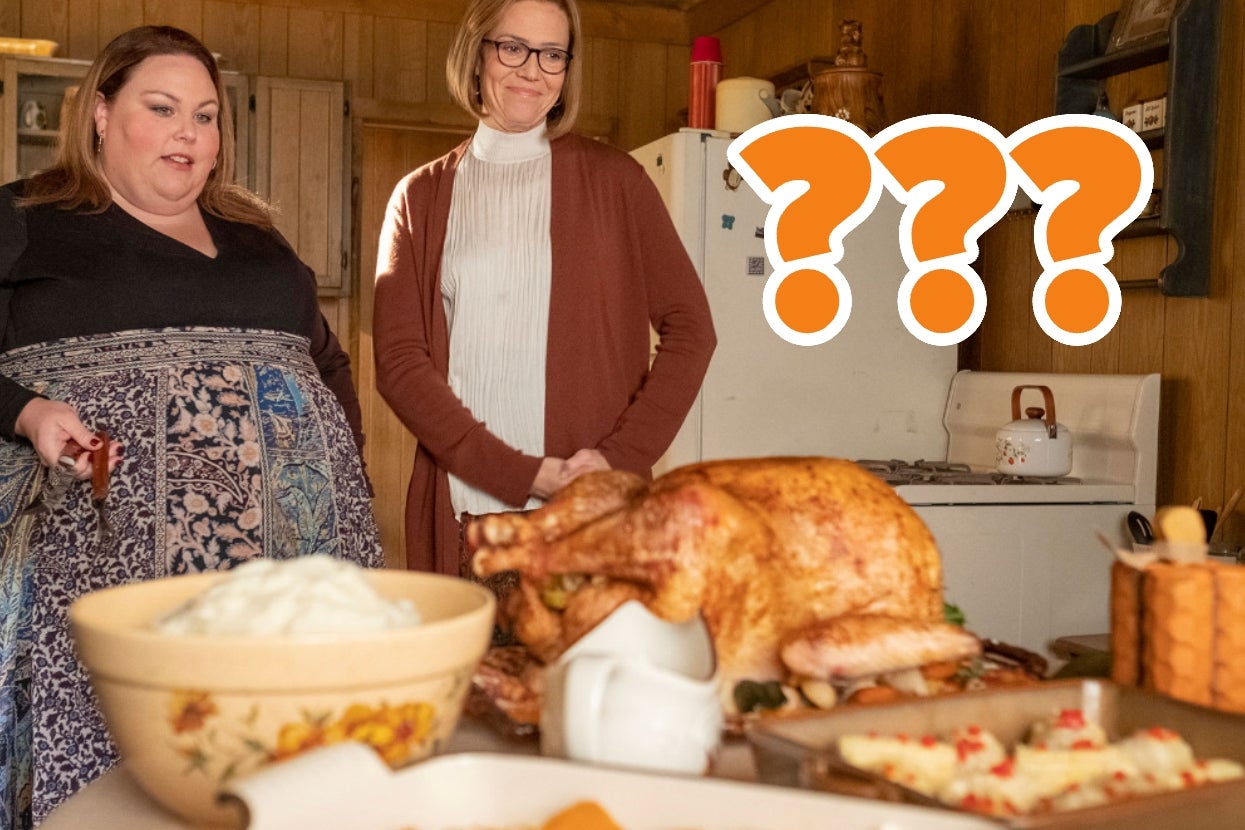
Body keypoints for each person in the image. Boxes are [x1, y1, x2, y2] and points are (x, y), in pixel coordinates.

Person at [0, 26, 382, 826]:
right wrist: (27, 411)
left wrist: (341, 472)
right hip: (94, 574)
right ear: (100, 112)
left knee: (283, 784)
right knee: (117, 798)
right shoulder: (25, 219)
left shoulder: (258, 239)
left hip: (285, 585)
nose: (189, 132)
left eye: (206, 117)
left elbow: (325, 362)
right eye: (163, 107)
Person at [373, 0, 716, 577]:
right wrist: (523, 472)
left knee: (594, 669)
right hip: (468, 522)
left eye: (552, 54)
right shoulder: (420, 197)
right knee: (471, 670)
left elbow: (693, 330)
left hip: (592, 517)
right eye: (512, 47)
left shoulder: (618, 183)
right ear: (476, 53)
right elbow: (400, 364)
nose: (532, 69)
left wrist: (618, 459)